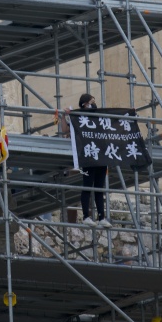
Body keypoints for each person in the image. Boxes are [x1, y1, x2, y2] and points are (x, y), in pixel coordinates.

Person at [64, 93, 109, 228]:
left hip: (101, 156)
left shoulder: (98, 117)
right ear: (84, 104)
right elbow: (66, 129)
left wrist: (129, 114)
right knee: (87, 186)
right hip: (88, 156)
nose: (93, 104)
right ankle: (86, 216)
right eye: (91, 102)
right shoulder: (79, 117)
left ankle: (101, 217)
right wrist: (66, 115)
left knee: (99, 188)